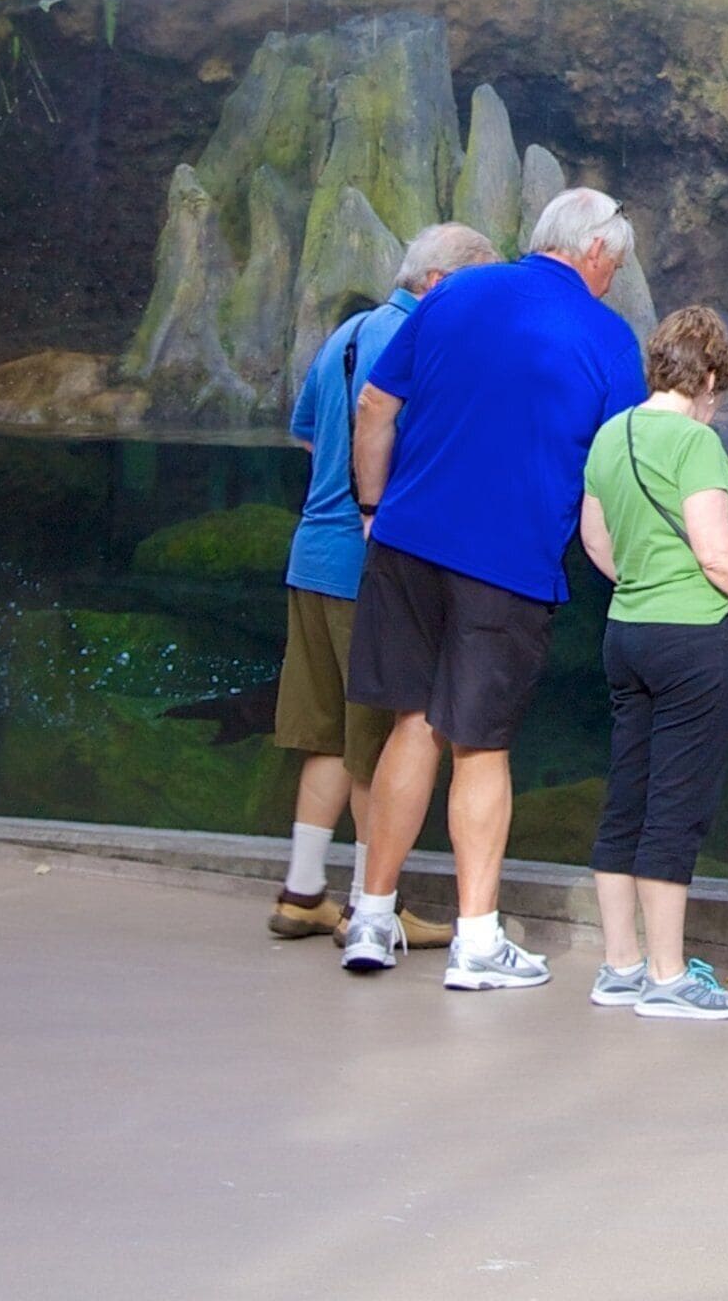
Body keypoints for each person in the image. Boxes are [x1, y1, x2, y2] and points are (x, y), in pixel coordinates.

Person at [341, 187, 645, 989]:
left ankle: (370, 918)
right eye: (617, 264)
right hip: (505, 561)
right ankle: (477, 942)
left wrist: (372, 508)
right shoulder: (609, 339)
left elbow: (375, 403)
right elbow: (621, 465)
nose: (614, 278)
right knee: (479, 741)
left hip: (406, 540)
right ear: (595, 256)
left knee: (414, 721)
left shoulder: (455, 291)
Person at [267, 222, 492, 947]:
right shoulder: (419, 341)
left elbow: (305, 430)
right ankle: (375, 909)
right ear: (436, 284)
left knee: (326, 736)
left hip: (311, 555)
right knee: (380, 741)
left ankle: (303, 893)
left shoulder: (349, 334)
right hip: (369, 565)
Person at [573, 305, 728, 1024]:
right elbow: (719, 554)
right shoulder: (696, 445)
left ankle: (620, 965)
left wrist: (642, 580)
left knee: (626, 794)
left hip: (625, 632)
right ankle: (667, 975)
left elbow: (596, 540)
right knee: (677, 805)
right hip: (693, 638)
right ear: (712, 376)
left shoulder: (609, 434)